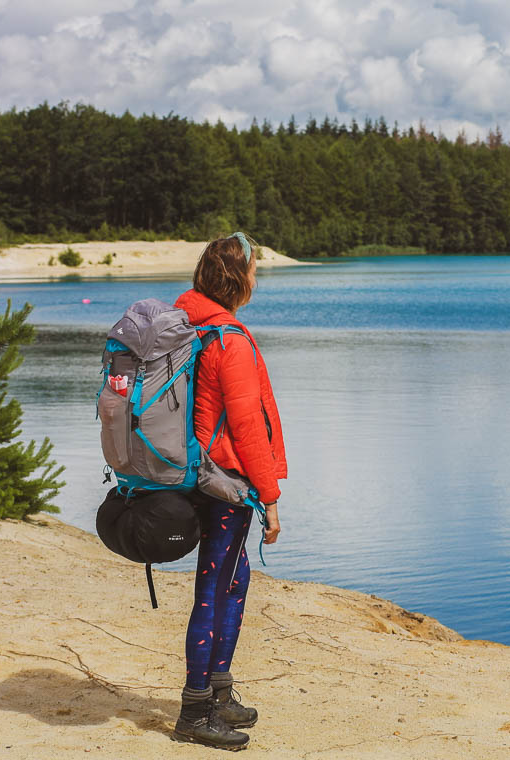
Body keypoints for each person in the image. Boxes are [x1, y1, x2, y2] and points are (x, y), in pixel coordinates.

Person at [171, 232, 287, 750]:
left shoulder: (188, 325)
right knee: (215, 591)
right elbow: (247, 427)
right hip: (225, 483)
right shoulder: (229, 341)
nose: (258, 278)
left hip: (196, 473)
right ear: (239, 280)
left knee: (233, 579)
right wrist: (270, 497)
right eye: (254, 270)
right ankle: (195, 710)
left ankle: (218, 692)